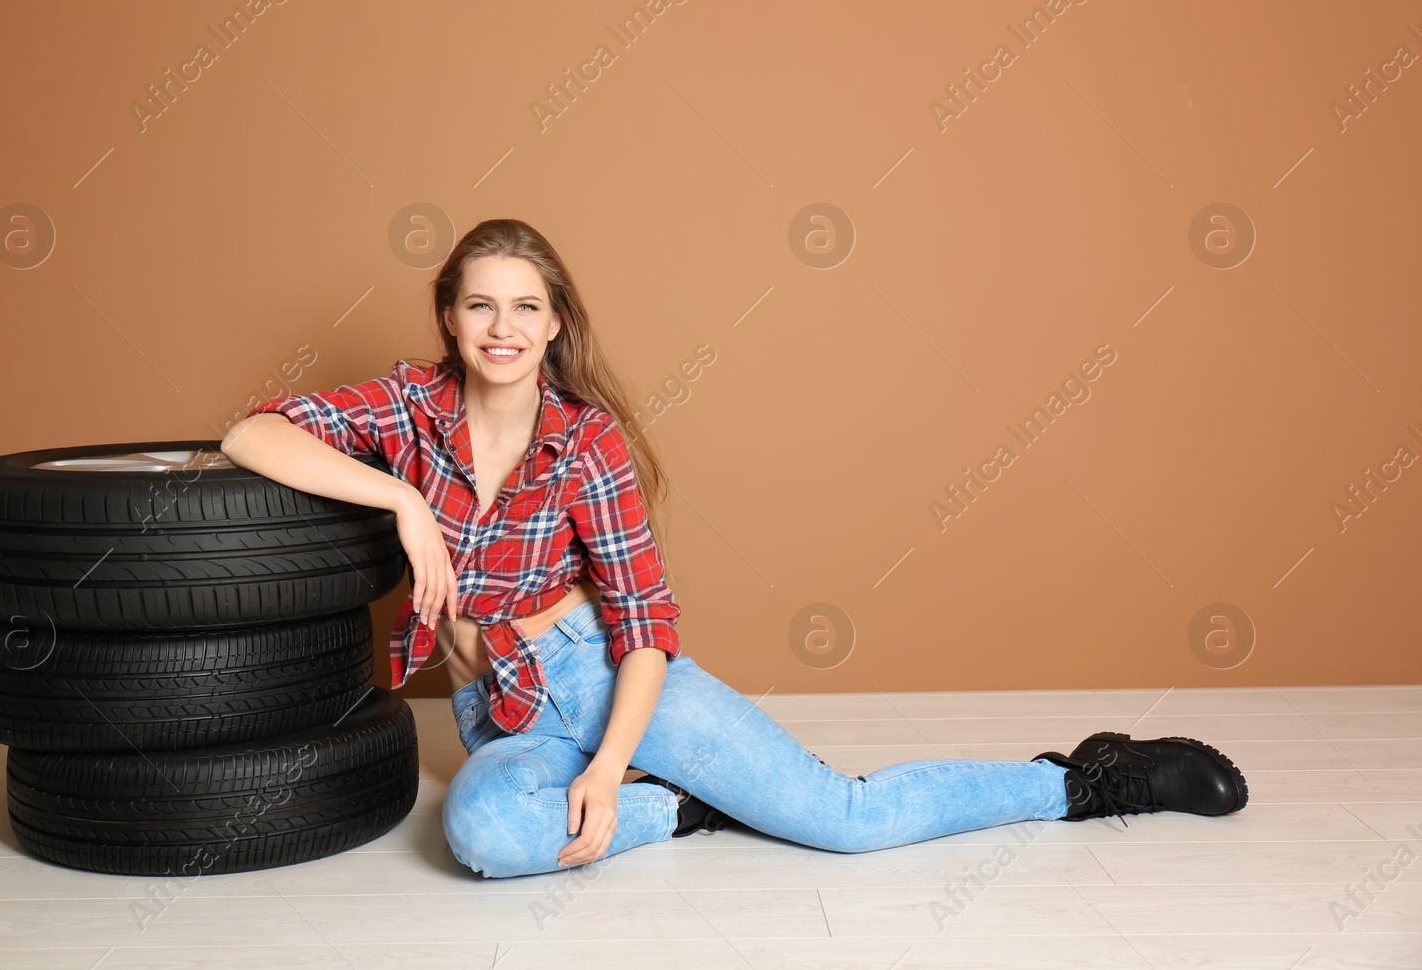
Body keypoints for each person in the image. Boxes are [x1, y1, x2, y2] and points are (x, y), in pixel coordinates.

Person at [219, 218, 1249, 879]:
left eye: (525, 306)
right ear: (448, 315)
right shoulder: (406, 406)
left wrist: (610, 759)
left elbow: (645, 625)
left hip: (609, 676)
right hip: (507, 709)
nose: (502, 324)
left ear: (553, 323)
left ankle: (1084, 778)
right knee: (482, 836)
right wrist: (400, 495)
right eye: (480, 303)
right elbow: (249, 432)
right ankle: (676, 811)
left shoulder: (586, 442)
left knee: (843, 820)